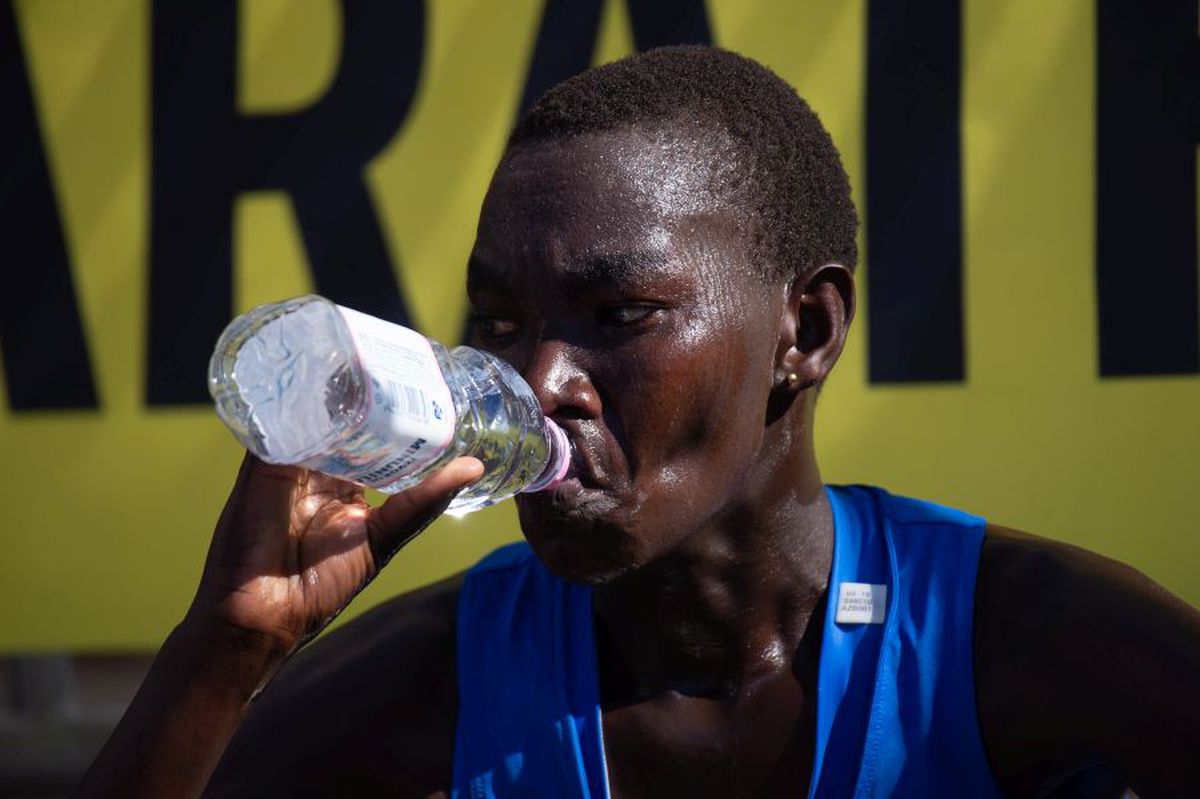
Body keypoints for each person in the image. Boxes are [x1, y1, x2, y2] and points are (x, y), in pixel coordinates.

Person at [78, 46, 1200, 798]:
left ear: (803, 332)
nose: (541, 377)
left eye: (619, 313)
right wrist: (224, 658)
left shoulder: (1022, 641)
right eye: (501, 319)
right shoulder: (436, 682)